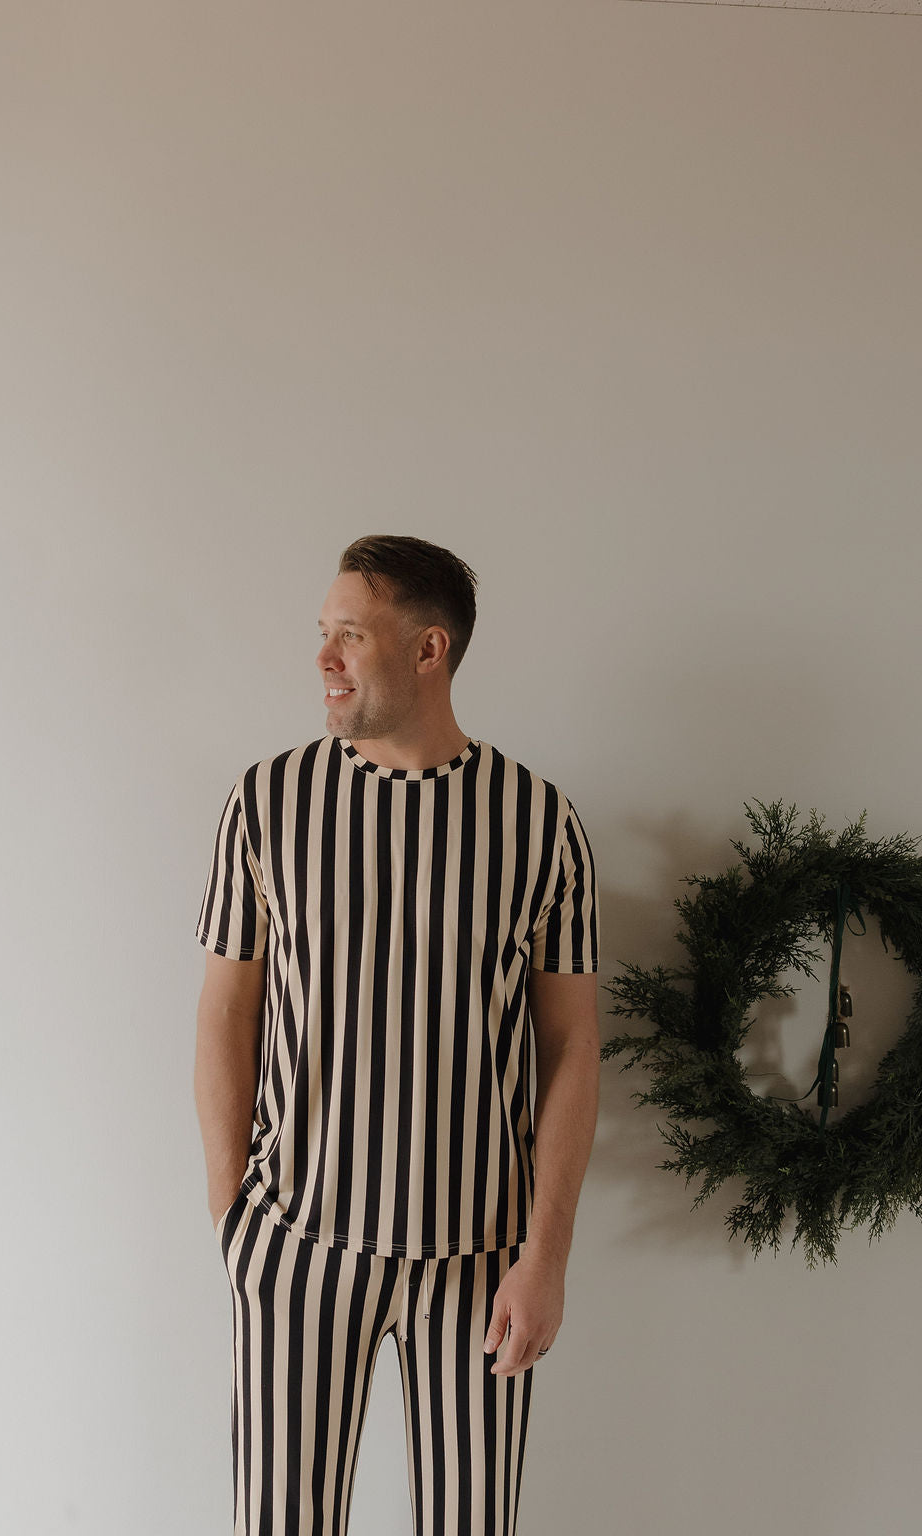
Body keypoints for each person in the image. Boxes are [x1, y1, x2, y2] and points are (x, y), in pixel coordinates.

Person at [193, 534, 600, 1536]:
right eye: (321, 635)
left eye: (349, 636)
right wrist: (233, 1220)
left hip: (481, 1264)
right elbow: (224, 1013)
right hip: (296, 1246)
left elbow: (573, 1049)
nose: (323, 658)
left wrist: (544, 1257)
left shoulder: (539, 822)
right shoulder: (268, 802)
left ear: (428, 649)